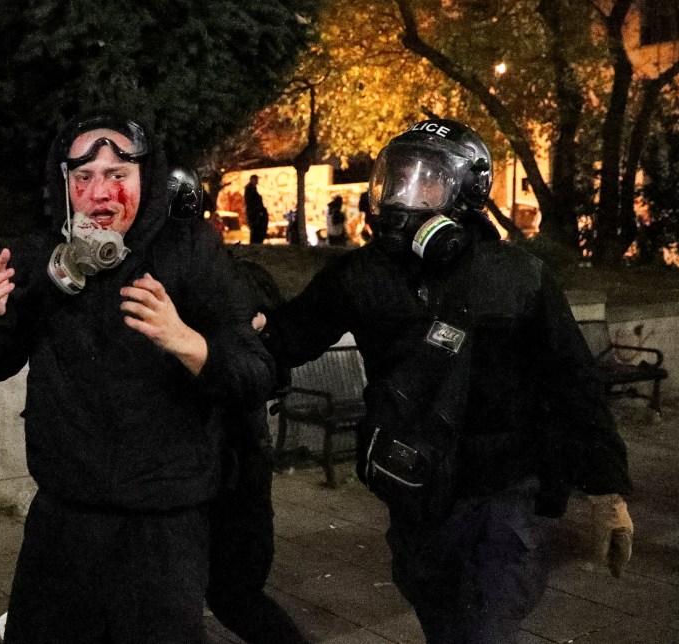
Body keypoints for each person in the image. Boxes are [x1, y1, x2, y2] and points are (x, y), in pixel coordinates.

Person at [260, 119, 633, 644]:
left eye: (427, 179)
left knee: (483, 631)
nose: (404, 195)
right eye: (398, 177)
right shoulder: (363, 275)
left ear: (466, 193)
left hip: (506, 494)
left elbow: (572, 381)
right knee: (445, 625)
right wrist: (230, 318)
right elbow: (287, 337)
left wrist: (605, 491)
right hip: (416, 496)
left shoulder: (518, 276)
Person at [0, 113, 275, 643]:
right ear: (65, 185)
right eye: (84, 178)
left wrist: (185, 341)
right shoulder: (39, 254)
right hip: (65, 517)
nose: (100, 193)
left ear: (145, 181)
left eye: (118, 175)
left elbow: (254, 373)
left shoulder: (191, 249)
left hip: (164, 525)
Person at [206, 257, 311, 644]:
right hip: (243, 462)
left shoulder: (233, 296)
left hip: (234, 468)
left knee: (234, 594)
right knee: (234, 593)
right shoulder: (246, 284)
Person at [244, 174, 269, 244]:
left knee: (256, 228)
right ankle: (255, 242)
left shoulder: (252, 188)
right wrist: (258, 210)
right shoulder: (250, 189)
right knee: (255, 228)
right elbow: (252, 201)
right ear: (252, 180)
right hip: (254, 213)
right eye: (256, 180)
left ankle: (256, 241)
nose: (257, 181)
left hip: (255, 212)